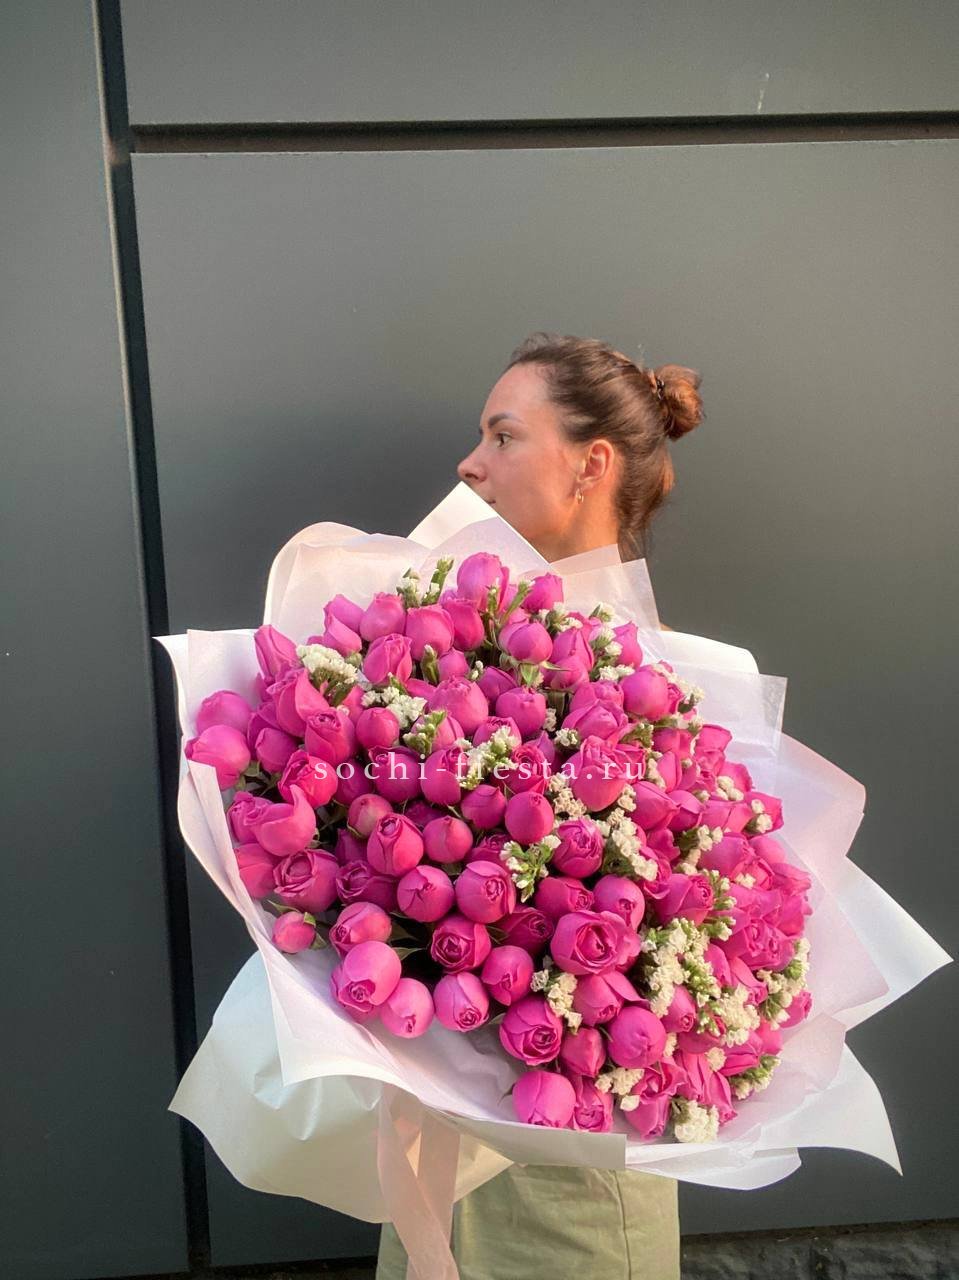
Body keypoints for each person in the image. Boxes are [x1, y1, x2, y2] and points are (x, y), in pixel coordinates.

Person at [375, 331, 705, 1280]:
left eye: (504, 436)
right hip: (438, 1150)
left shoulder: (664, 693)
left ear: (589, 466)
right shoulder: (448, 661)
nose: (470, 462)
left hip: (572, 1179)